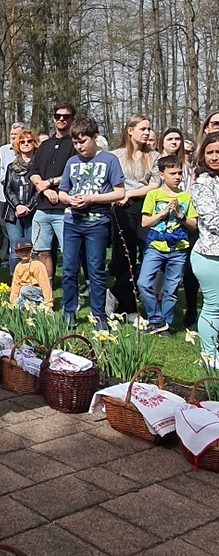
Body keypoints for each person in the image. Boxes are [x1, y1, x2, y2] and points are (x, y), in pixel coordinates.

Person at [58, 117, 125, 328]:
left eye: (83, 141)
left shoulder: (109, 160)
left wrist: (91, 199)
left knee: (96, 270)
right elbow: (62, 192)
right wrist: (70, 199)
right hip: (72, 222)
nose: (79, 146)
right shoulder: (72, 162)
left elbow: (119, 193)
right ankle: (69, 312)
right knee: (69, 269)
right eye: (75, 142)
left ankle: (99, 315)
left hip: (97, 223)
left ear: (94, 138)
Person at [137, 156, 197, 333]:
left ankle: (166, 324)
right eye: (173, 173)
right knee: (143, 283)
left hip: (179, 248)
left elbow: (193, 224)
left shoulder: (185, 197)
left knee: (171, 289)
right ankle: (156, 319)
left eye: (179, 173)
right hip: (156, 246)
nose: (177, 177)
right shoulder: (153, 195)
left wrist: (180, 215)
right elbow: (145, 222)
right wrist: (162, 213)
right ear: (162, 175)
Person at [108, 114, 158, 317]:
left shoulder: (154, 156)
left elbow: (155, 184)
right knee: (124, 255)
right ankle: (128, 306)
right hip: (122, 208)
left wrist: (130, 193)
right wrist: (119, 196)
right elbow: (108, 181)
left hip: (145, 207)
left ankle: (115, 294)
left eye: (148, 129)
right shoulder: (115, 156)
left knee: (146, 254)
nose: (147, 133)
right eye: (142, 129)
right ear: (130, 131)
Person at [29, 103, 76, 282]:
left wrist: (49, 182)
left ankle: (71, 286)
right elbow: (33, 171)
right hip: (42, 207)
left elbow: (74, 172)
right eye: (58, 116)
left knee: (69, 251)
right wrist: (43, 187)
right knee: (41, 251)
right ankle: (46, 286)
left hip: (65, 207)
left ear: (72, 120)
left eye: (66, 117)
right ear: (53, 119)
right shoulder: (45, 145)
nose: (61, 119)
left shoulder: (75, 144)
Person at [189, 133, 219, 367]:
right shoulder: (202, 184)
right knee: (214, 307)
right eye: (210, 152)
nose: (215, 157)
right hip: (210, 255)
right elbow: (212, 219)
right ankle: (209, 358)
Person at [3, 129, 39, 272]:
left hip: (33, 212)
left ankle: (32, 279)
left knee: (32, 249)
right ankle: (16, 279)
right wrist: (17, 206)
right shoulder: (11, 167)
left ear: (34, 143)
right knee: (16, 249)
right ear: (18, 145)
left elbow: (39, 190)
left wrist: (28, 207)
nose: (26, 143)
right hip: (13, 213)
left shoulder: (39, 165)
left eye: (29, 141)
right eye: (22, 141)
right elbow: (7, 189)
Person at [0, 122, 24, 269]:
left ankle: (23, 256)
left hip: (22, 197)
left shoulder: (26, 148)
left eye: (16, 134)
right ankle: (4, 259)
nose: (13, 137)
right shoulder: (3, 150)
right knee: (4, 228)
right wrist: (9, 180)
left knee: (19, 228)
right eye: (12, 134)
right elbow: (0, 170)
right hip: (4, 195)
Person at [9, 239, 53, 307]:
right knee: (16, 305)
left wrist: (49, 302)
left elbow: (45, 283)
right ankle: (29, 304)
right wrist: (13, 300)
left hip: (36, 289)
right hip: (23, 292)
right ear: (17, 253)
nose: (24, 253)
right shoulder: (18, 267)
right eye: (21, 251)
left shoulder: (37, 265)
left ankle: (41, 302)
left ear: (32, 251)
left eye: (27, 250)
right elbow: (15, 284)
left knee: (24, 290)